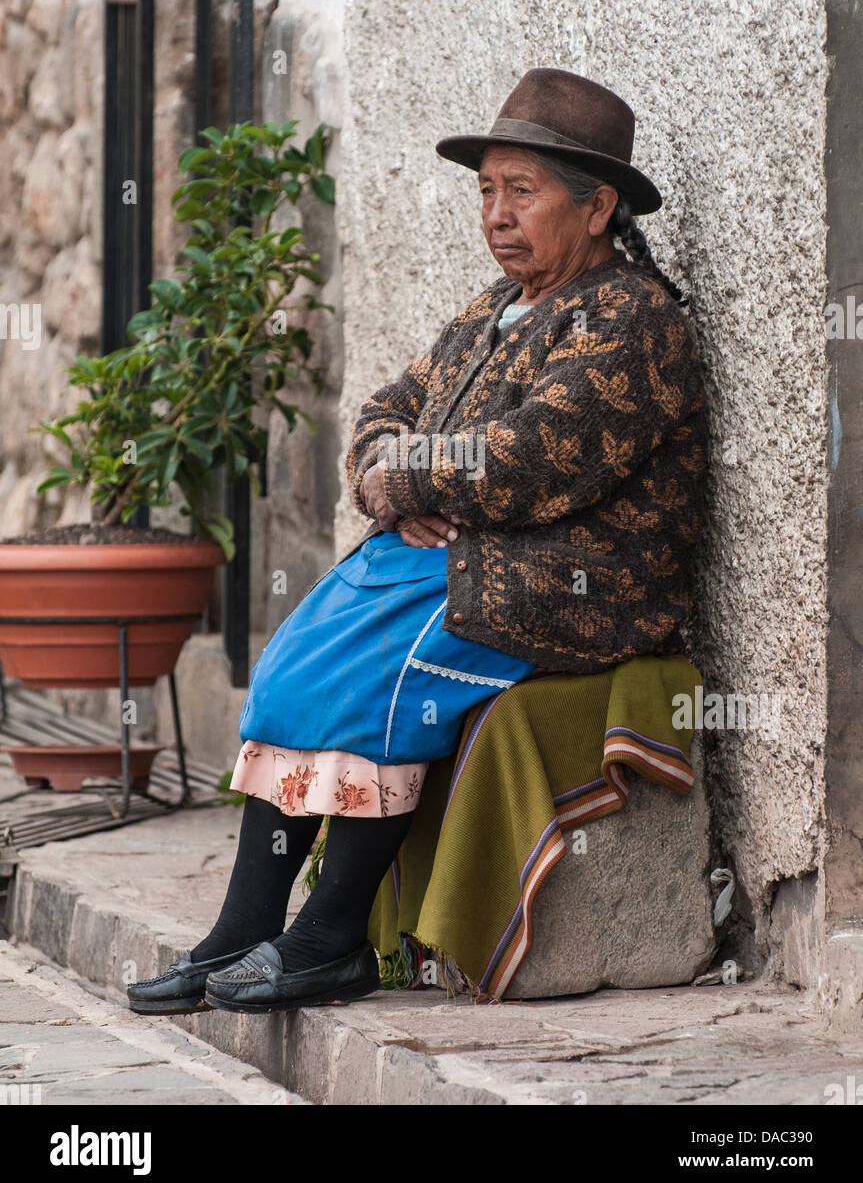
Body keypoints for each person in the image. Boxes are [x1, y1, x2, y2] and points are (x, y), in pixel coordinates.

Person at [127, 67, 707, 1016]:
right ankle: (244, 925)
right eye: (487, 190)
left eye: (523, 191)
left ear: (597, 207)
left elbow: (527, 460)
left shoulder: (634, 319)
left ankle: (329, 940)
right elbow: (388, 406)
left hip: (577, 583)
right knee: (288, 674)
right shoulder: (494, 307)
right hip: (457, 558)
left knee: (369, 684)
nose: (497, 213)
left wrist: (402, 478)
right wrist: (381, 473)